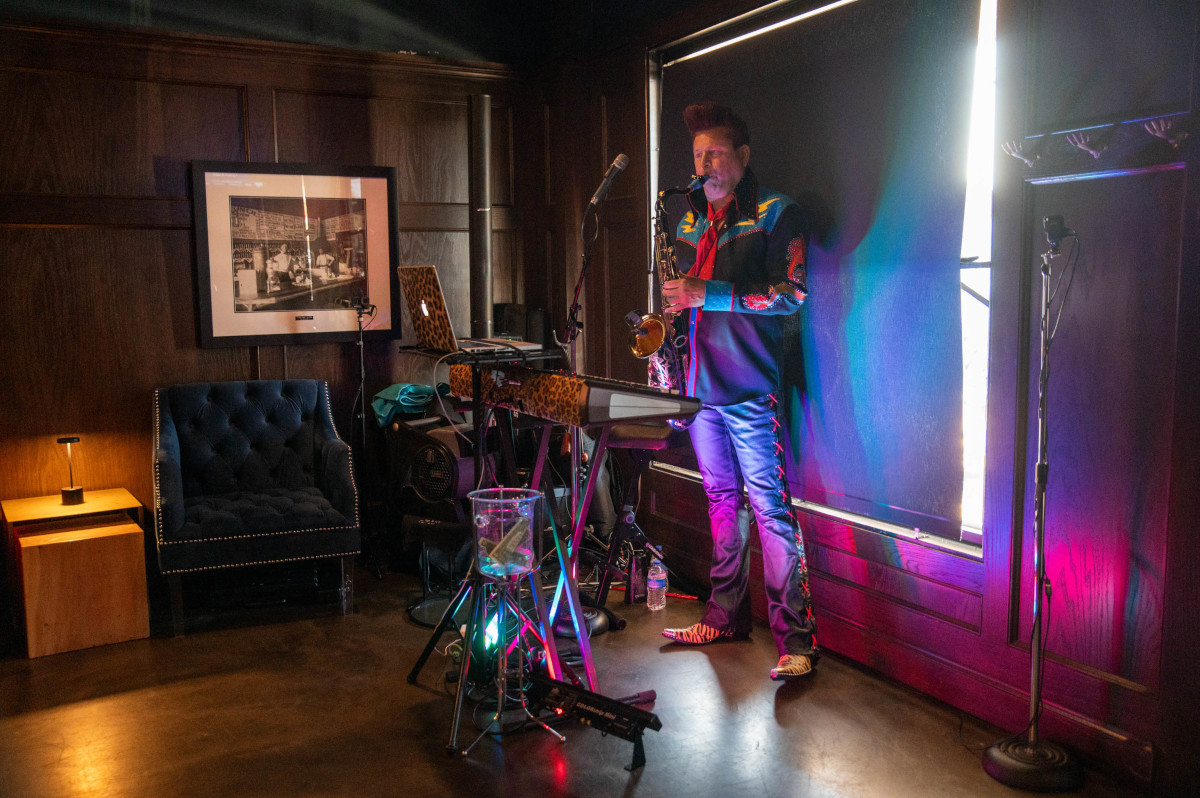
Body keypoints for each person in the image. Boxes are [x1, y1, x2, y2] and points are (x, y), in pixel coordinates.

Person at [659, 102, 819, 681]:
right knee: (722, 502)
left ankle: (797, 642)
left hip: (752, 386)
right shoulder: (688, 221)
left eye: (716, 154)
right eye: (698, 155)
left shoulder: (778, 213)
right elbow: (683, 297)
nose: (704, 165)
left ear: (743, 156)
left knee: (770, 511)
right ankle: (724, 617)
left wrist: (708, 293)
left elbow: (791, 294)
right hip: (700, 387)